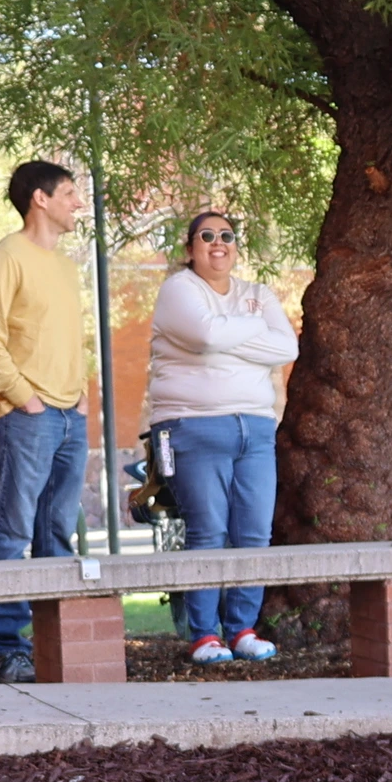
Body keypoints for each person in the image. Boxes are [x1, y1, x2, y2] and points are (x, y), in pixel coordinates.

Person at [147, 209, 299, 665]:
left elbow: (287, 347)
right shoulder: (179, 289)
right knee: (208, 530)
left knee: (254, 532)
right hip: (190, 425)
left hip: (254, 426)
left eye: (227, 235)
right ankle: (204, 635)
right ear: (190, 246)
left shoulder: (258, 292)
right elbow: (206, 336)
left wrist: (224, 335)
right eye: (207, 235)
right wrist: (251, 332)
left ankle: (242, 630)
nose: (219, 243)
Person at [0, 163, 94, 680]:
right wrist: (25, 398)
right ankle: (8, 648)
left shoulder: (65, 266)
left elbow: (67, 340)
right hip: (26, 415)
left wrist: (81, 397)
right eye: (69, 194)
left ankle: (52, 646)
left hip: (69, 416)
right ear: (39, 199)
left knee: (57, 532)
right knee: (12, 531)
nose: (77, 204)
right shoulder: (5, 257)